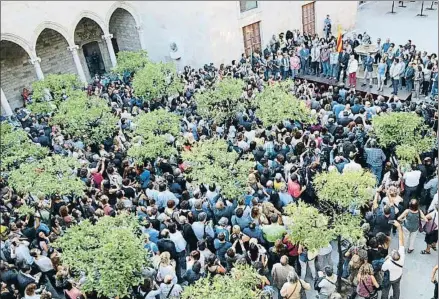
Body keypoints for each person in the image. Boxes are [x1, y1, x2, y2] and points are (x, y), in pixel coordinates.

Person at [381, 221, 405, 299]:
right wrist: (399, 227)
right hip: (398, 276)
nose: (394, 249)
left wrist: (386, 258)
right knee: (396, 289)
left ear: (391, 256)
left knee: (385, 290)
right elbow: (401, 241)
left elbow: (383, 269)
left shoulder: (388, 262)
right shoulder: (402, 256)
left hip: (389, 279)